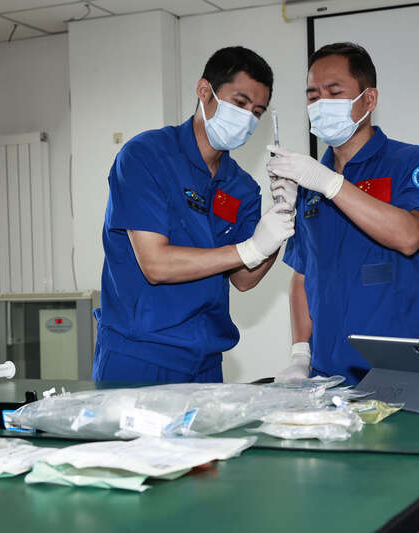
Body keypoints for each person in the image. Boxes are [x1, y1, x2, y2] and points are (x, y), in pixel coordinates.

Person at [93, 46, 295, 383]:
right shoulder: (146, 156)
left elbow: (244, 279)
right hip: (139, 354)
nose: (248, 118)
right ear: (205, 91)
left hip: (205, 361)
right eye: (240, 103)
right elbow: (156, 265)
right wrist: (250, 248)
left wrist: (280, 222)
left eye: (257, 112)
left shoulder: (242, 187)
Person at [266, 42, 419, 385]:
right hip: (327, 373)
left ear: (369, 99)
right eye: (313, 96)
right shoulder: (308, 180)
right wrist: (300, 354)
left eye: (334, 93)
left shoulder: (410, 163)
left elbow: (409, 236)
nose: (321, 104)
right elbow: (303, 273)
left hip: (402, 371)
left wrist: (330, 184)